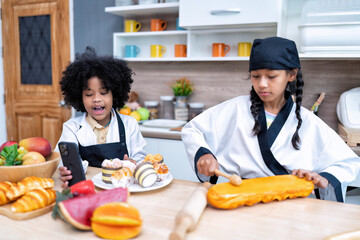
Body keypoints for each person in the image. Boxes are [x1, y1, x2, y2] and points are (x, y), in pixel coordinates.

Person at [181, 37, 360, 202]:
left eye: (271, 76)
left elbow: (346, 162)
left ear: (291, 75)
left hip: (290, 207)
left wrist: (323, 178)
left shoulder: (308, 121)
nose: (262, 84)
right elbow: (192, 129)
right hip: (241, 199)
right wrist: (204, 153)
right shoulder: (234, 109)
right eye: (256, 76)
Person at [55, 47, 147, 188]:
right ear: (79, 97)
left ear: (114, 95)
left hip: (123, 189)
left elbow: (140, 158)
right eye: (89, 94)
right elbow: (62, 160)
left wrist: (134, 163)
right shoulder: (71, 127)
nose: (96, 99)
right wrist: (66, 170)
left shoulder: (130, 124)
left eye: (103, 92)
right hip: (87, 190)